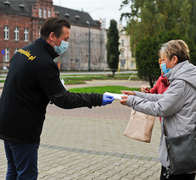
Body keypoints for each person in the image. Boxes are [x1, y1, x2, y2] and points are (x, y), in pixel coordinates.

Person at [0, 17, 114, 180]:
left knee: (13, 170)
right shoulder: (45, 63)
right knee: (27, 175)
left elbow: (26, 83)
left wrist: (47, 91)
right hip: (23, 129)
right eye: (66, 39)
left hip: (6, 122)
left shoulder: (23, 51)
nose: (67, 44)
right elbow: (64, 100)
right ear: (52, 36)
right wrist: (97, 98)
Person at [119, 39, 196, 180]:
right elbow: (164, 98)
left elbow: (161, 107)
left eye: (164, 59)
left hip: (180, 147)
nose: (161, 63)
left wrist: (132, 101)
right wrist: (136, 94)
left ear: (174, 59)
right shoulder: (185, 78)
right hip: (185, 144)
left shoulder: (181, 82)